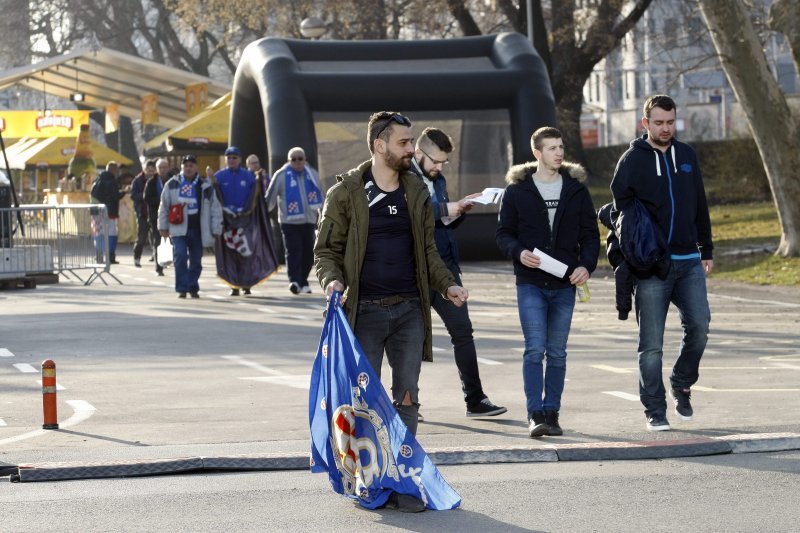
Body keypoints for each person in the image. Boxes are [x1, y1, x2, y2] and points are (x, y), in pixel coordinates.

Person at [314, 111, 469, 513]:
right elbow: (326, 251)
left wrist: (447, 284)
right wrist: (332, 281)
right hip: (362, 313)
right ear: (379, 145)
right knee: (362, 403)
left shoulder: (417, 191)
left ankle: (403, 481)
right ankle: (370, 479)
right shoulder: (347, 193)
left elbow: (429, 252)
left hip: (408, 313)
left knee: (407, 398)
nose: (410, 149)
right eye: (403, 142)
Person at [610, 94, 713, 432]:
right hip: (652, 266)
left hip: (688, 260)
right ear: (646, 124)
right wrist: (638, 247)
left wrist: (706, 249)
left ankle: (681, 382)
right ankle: (654, 409)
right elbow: (621, 213)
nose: (665, 128)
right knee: (651, 345)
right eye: (659, 123)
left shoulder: (687, 155)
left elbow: (699, 203)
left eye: (670, 122)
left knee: (699, 326)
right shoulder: (631, 161)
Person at [496, 126, 600, 438]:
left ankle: (552, 412)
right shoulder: (518, 190)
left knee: (557, 352)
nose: (559, 152)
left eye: (561, 147)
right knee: (534, 349)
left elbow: (590, 236)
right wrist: (519, 252)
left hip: (565, 284)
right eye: (552, 148)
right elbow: (503, 234)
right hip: (530, 282)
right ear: (537, 153)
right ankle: (535, 414)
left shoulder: (576, 190)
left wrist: (586, 266)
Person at [408, 127, 506, 419]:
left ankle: (475, 400)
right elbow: (413, 214)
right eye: (435, 161)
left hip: (446, 267)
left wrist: (459, 211)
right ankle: (408, 401)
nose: (439, 167)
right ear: (418, 153)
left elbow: (441, 222)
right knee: (412, 338)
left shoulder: (438, 180)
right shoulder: (404, 178)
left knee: (463, 332)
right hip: (414, 269)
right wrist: (445, 208)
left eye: (443, 162)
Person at [214, 146, 278, 296]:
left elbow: (257, 197)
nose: (231, 160)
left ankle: (247, 284)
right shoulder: (218, 177)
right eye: (228, 157)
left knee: (246, 252)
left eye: (234, 157)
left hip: (246, 221)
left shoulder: (249, 177)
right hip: (227, 222)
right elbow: (215, 197)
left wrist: (260, 181)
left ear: (240, 160)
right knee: (230, 252)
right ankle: (234, 285)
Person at [158, 154, 223, 299]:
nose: (188, 168)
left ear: (196, 168)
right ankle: (182, 288)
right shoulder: (172, 184)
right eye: (186, 165)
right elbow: (164, 206)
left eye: (191, 165)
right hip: (178, 228)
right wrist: (162, 226)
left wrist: (216, 229)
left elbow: (215, 209)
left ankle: (192, 286)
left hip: (198, 229)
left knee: (196, 261)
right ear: (182, 167)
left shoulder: (204, 186)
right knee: (180, 256)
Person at [267, 147, 325, 294]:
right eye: (294, 159)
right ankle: (294, 281)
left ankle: (303, 281)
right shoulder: (280, 175)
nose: (298, 161)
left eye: (300, 158)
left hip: (309, 220)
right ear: (289, 161)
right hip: (289, 222)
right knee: (294, 251)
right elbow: (270, 198)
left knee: (309, 253)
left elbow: (321, 194)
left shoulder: (312, 174)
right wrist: (263, 213)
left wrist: (325, 214)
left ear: (305, 159)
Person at [90, 161, 125, 264]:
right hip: (110, 212)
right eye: (117, 170)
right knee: (111, 234)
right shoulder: (112, 181)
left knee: (99, 233)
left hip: (97, 213)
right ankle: (110, 257)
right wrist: (124, 192)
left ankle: (99, 256)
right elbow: (115, 196)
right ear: (114, 170)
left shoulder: (98, 180)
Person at [145, 158, 169, 275]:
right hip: (156, 216)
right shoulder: (151, 182)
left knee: (169, 240)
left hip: (172, 216)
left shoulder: (172, 180)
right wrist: (160, 201)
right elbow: (147, 198)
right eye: (161, 168)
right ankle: (159, 267)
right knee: (158, 241)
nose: (163, 170)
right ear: (157, 169)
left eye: (165, 167)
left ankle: (166, 261)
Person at [131, 160, 156, 267]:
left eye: (152, 171)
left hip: (155, 212)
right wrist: (145, 195)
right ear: (144, 170)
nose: (150, 173)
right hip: (143, 213)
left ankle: (159, 258)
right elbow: (133, 195)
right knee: (141, 237)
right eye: (148, 170)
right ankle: (137, 257)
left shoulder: (157, 180)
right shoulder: (137, 180)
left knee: (157, 237)